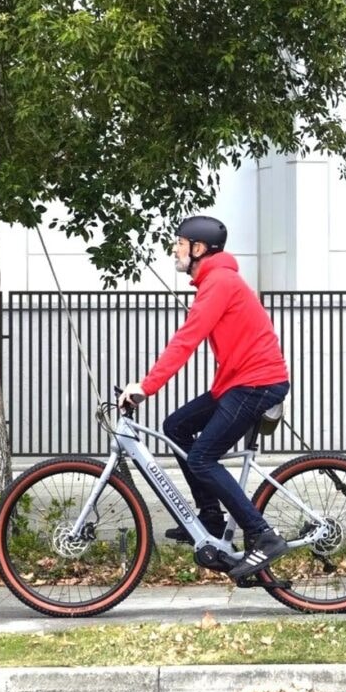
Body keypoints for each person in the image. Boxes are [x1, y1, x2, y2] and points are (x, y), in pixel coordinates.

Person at [118, 215, 292, 579]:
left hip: (256, 384)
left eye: (180, 244)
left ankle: (263, 536)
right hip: (238, 383)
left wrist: (146, 386)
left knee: (201, 458)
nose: (175, 250)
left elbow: (186, 340)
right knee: (176, 426)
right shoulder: (215, 281)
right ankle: (210, 516)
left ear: (198, 249)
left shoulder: (219, 282)